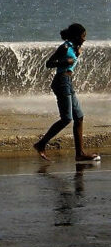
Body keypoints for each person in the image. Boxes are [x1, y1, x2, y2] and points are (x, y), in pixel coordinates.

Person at [34, 23, 100, 162]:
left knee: (79, 117)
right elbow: (49, 63)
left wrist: (77, 53)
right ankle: (41, 144)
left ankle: (80, 153)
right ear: (76, 36)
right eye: (83, 36)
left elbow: (73, 58)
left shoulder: (76, 47)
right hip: (61, 82)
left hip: (68, 82)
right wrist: (63, 63)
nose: (85, 39)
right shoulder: (64, 47)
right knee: (67, 119)